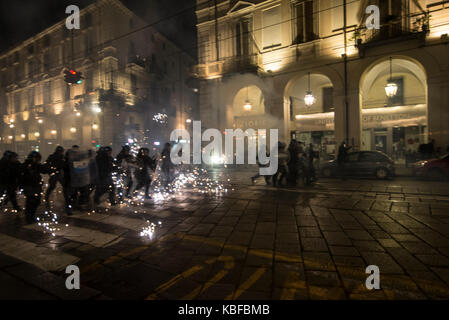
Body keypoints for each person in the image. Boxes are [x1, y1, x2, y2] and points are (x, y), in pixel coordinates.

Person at [19, 151, 48, 224]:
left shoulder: (37, 165)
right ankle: (29, 216)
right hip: (28, 185)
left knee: (37, 201)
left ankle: (31, 214)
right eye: (37, 159)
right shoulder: (25, 165)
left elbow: (44, 170)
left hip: (36, 185)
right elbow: (21, 176)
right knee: (30, 200)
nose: (38, 160)